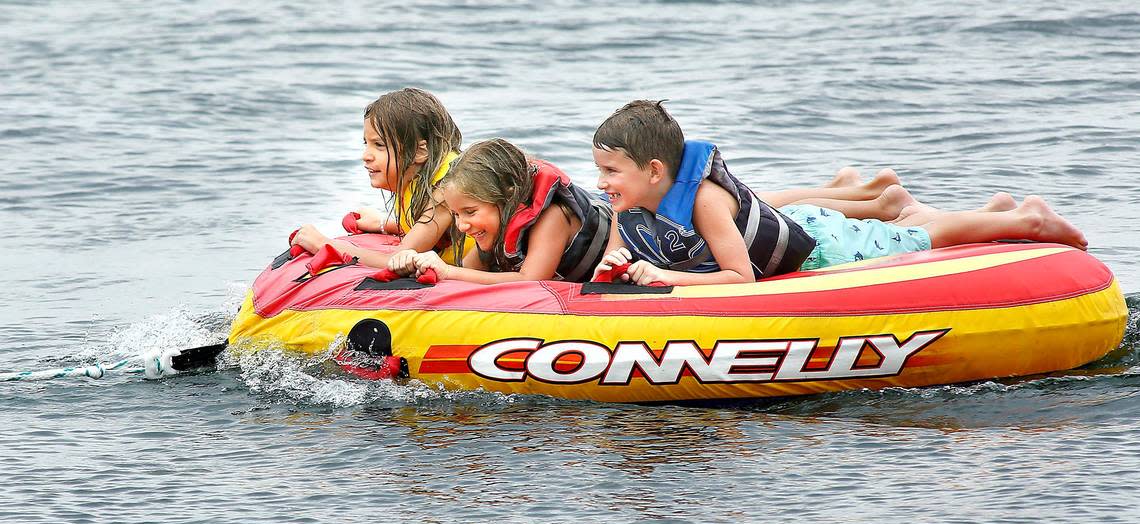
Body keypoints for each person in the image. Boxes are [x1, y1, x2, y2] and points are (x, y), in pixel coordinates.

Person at [590, 100, 1088, 286]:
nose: (600, 183)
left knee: (910, 243)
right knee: (900, 232)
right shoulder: (625, 209)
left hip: (817, 248)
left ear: (655, 171)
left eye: (611, 170)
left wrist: (657, 276)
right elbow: (611, 259)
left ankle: (1023, 220)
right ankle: (992, 210)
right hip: (797, 231)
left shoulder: (704, 201)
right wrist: (611, 268)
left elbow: (739, 278)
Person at [289, 88, 474, 268]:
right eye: (366, 143)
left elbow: (395, 259)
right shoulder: (423, 182)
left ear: (420, 151)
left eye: (378, 145)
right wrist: (382, 223)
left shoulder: (447, 189)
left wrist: (323, 244)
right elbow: (428, 226)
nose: (366, 155)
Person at [399, 138, 612, 283]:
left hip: (607, 212)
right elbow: (468, 270)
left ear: (509, 196)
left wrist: (448, 271)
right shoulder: (495, 221)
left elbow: (529, 280)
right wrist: (420, 265)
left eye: (470, 212)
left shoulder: (554, 216)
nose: (462, 226)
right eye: (455, 214)